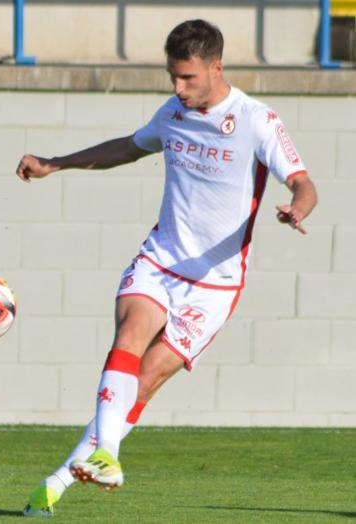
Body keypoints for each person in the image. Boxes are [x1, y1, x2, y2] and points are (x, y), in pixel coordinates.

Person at [16, 19, 317, 517]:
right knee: (131, 335)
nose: (177, 88)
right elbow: (127, 148)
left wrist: (297, 207)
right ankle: (108, 454)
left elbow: (304, 183)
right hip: (161, 259)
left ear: (215, 67)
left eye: (188, 78)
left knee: (149, 377)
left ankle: (58, 481)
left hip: (215, 285)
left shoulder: (256, 120)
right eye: (172, 76)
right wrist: (57, 162)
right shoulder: (173, 112)